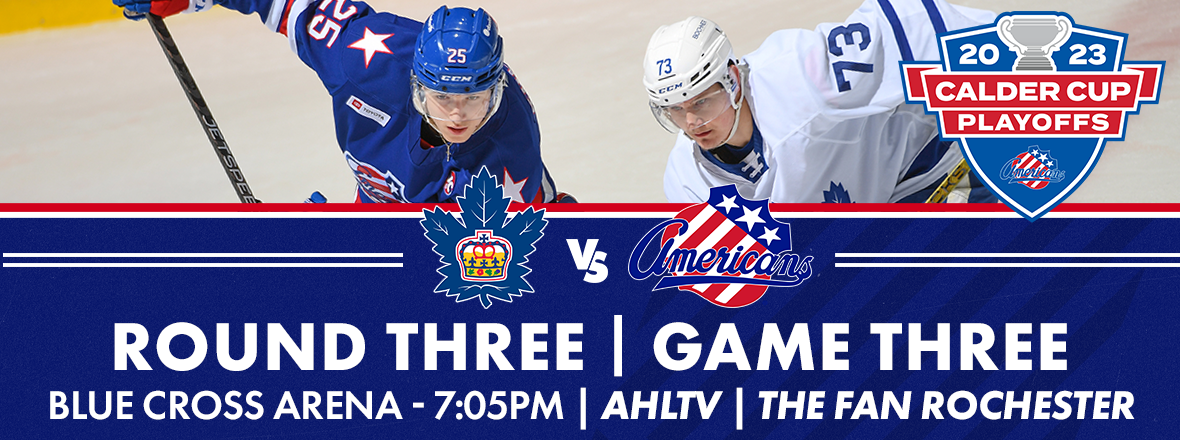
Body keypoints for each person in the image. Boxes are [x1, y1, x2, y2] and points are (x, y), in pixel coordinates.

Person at [115, 0, 572, 203]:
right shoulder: (366, 59)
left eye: (473, 100)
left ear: (495, 94)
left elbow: (458, 276)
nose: (456, 114)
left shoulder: (507, 155)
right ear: (416, 85)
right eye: (441, 97)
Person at [643, 0, 997, 203]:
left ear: (732, 81)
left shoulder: (801, 75)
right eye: (674, 109)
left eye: (701, 102)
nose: (691, 123)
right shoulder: (687, 182)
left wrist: (1018, 56)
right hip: (867, 225)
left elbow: (908, 25)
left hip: (936, 167)